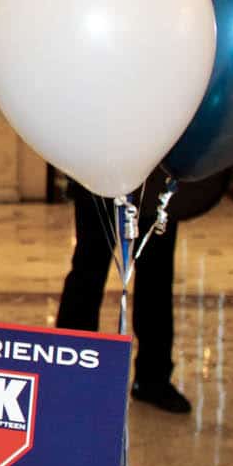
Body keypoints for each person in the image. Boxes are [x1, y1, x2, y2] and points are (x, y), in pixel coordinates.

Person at [56, 172, 189, 413]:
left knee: (156, 276)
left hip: (155, 177)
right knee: (88, 271)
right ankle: (69, 371)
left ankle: (153, 378)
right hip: (96, 172)